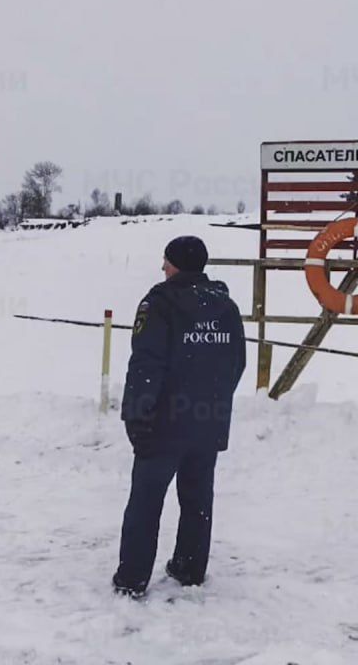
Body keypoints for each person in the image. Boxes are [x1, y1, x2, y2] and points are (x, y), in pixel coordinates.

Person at [113, 235, 247, 598]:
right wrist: (215, 402)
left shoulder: (158, 304)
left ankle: (132, 578)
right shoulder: (226, 307)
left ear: (175, 264)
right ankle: (189, 567)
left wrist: (136, 416)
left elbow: (146, 366)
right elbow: (236, 364)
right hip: (207, 422)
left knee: (145, 501)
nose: (162, 267)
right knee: (197, 499)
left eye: (166, 261)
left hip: (164, 424)